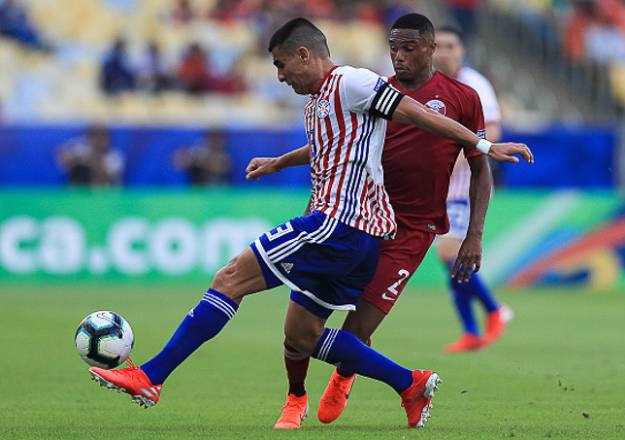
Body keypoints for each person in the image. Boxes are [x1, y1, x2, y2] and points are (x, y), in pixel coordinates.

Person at [87, 17, 531, 429]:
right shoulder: (318, 103)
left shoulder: (352, 81)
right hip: (355, 230)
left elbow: (417, 113)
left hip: (339, 225)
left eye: (282, 66)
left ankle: (151, 375)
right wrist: (279, 162)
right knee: (302, 334)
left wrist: (483, 145)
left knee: (229, 278)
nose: (280, 76)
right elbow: (331, 150)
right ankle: (410, 383)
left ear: (304, 55)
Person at [244, 14, 532, 429]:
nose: (398, 57)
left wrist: (474, 234)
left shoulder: (464, 98)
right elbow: (330, 138)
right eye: (393, 49)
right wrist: (280, 162)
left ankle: (346, 375)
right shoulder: (377, 89)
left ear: (430, 49)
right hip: (358, 217)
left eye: (408, 49)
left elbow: (479, 167)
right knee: (303, 322)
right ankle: (297, 396)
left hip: (412, 231)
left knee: (359, 327)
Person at [433, 25, 512, 353]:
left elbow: (492, 129)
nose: (444, 52)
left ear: (462, 50)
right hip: (440, 186)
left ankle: (495, 309)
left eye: (450, 45)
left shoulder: (475, 84)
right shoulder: (427, 87)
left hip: (468, 185)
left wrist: (465, 146)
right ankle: (469, 329)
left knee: (448, 253)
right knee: (450, 261)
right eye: (438, 46)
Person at [56, 126, 124, 186]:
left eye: (102, 136)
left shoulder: (114, 156)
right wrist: (76, 158)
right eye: (95, 136)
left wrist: (93, 159)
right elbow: (63, 161)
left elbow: (105, 178)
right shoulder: (82, 148)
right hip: (80, 192)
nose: (99, 140)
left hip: (105, 193)